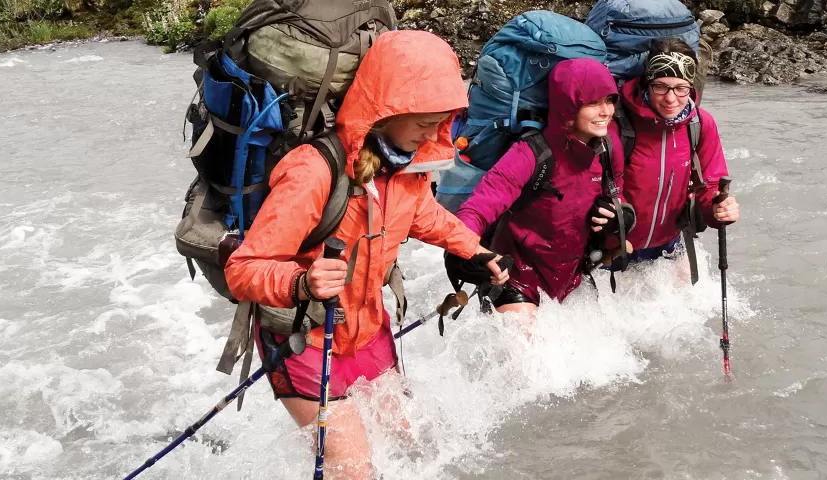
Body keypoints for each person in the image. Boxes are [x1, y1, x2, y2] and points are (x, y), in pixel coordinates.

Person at [223, 30, 507, 478]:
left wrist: (473, 250)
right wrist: (301, 282)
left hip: (367, 327)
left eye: (441, 121)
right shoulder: (313, 171)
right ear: (387, 111)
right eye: (422, 123)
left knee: (410, 445)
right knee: (355, 470)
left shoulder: (405, 167)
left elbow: (424, 215)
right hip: (305, 336)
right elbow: (243, 269)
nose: (433, 133)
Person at [453, 58, 634, 314]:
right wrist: (464, 249)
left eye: (609, 100)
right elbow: (479, 207)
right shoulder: (530, 153)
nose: (606, 111)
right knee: (526, 350)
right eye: (593, 103)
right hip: (514, 276)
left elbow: (617, 194)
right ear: (569, 105)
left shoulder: (608, 146)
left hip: (572, 275)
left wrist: (621, 217)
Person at [613, 39, 740, 270]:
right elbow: (604, 185)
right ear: (647, 83)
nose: (671, 99)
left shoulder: (701, 124)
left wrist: (719, 207)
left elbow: (709, 182)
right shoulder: (618, 122)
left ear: (691, 87)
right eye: (660, 86)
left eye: (681, 88)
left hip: (669, 246)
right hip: (616, 246)